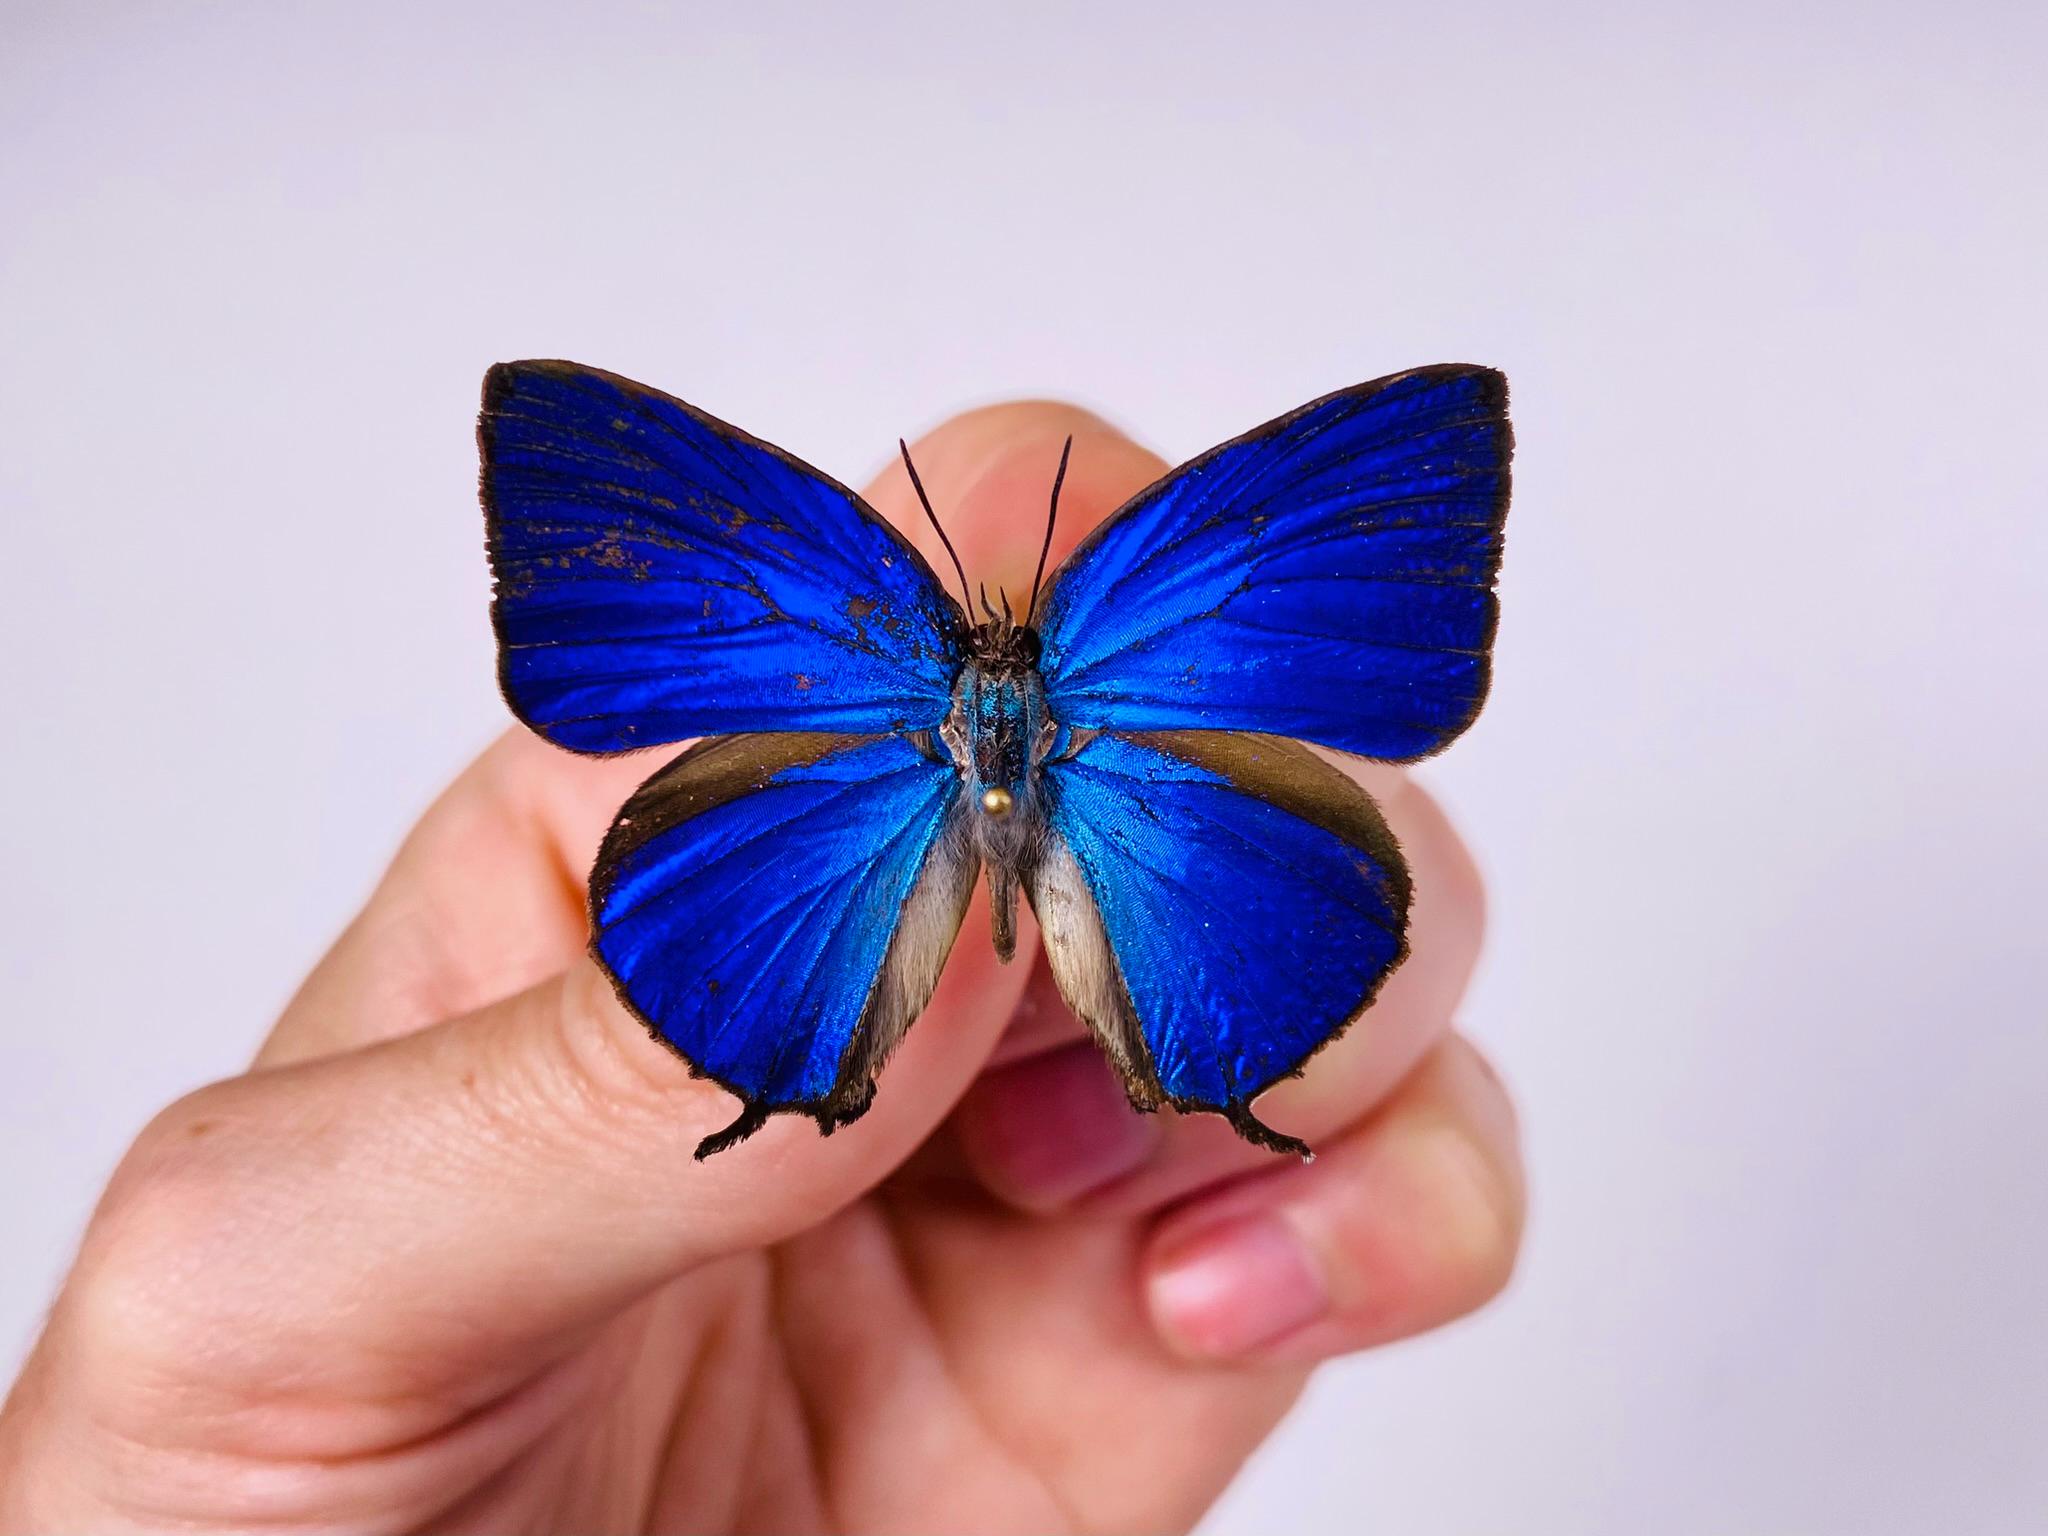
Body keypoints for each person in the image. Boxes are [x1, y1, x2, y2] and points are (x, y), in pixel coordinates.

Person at [0, 402, 1525, 1533]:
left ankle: (916, 1066)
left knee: (1271, 889)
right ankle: (1168, 1075)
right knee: (1262, 899)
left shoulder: (872, 637)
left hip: (854, 828)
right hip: (1122, 809)